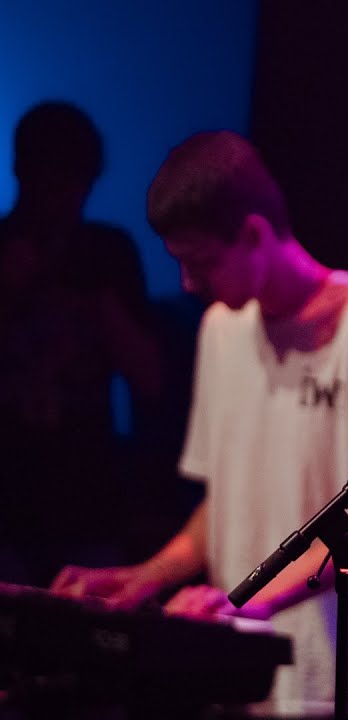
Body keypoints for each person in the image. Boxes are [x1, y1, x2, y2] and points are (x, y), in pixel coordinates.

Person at [52, 130, 348, 718]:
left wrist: (252, 600)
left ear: (255, 234)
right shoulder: (220, 330)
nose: (188, 283)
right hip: (246, 674)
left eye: (202, 262)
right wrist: (145, 578)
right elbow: (223, 505)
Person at [0, 101, 164, 587]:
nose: (64, 200)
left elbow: (150, 379)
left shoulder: (107, 254)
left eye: (75, 183)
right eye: (52, 182)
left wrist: (102, 304)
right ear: (22, 171)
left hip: (86, 498)